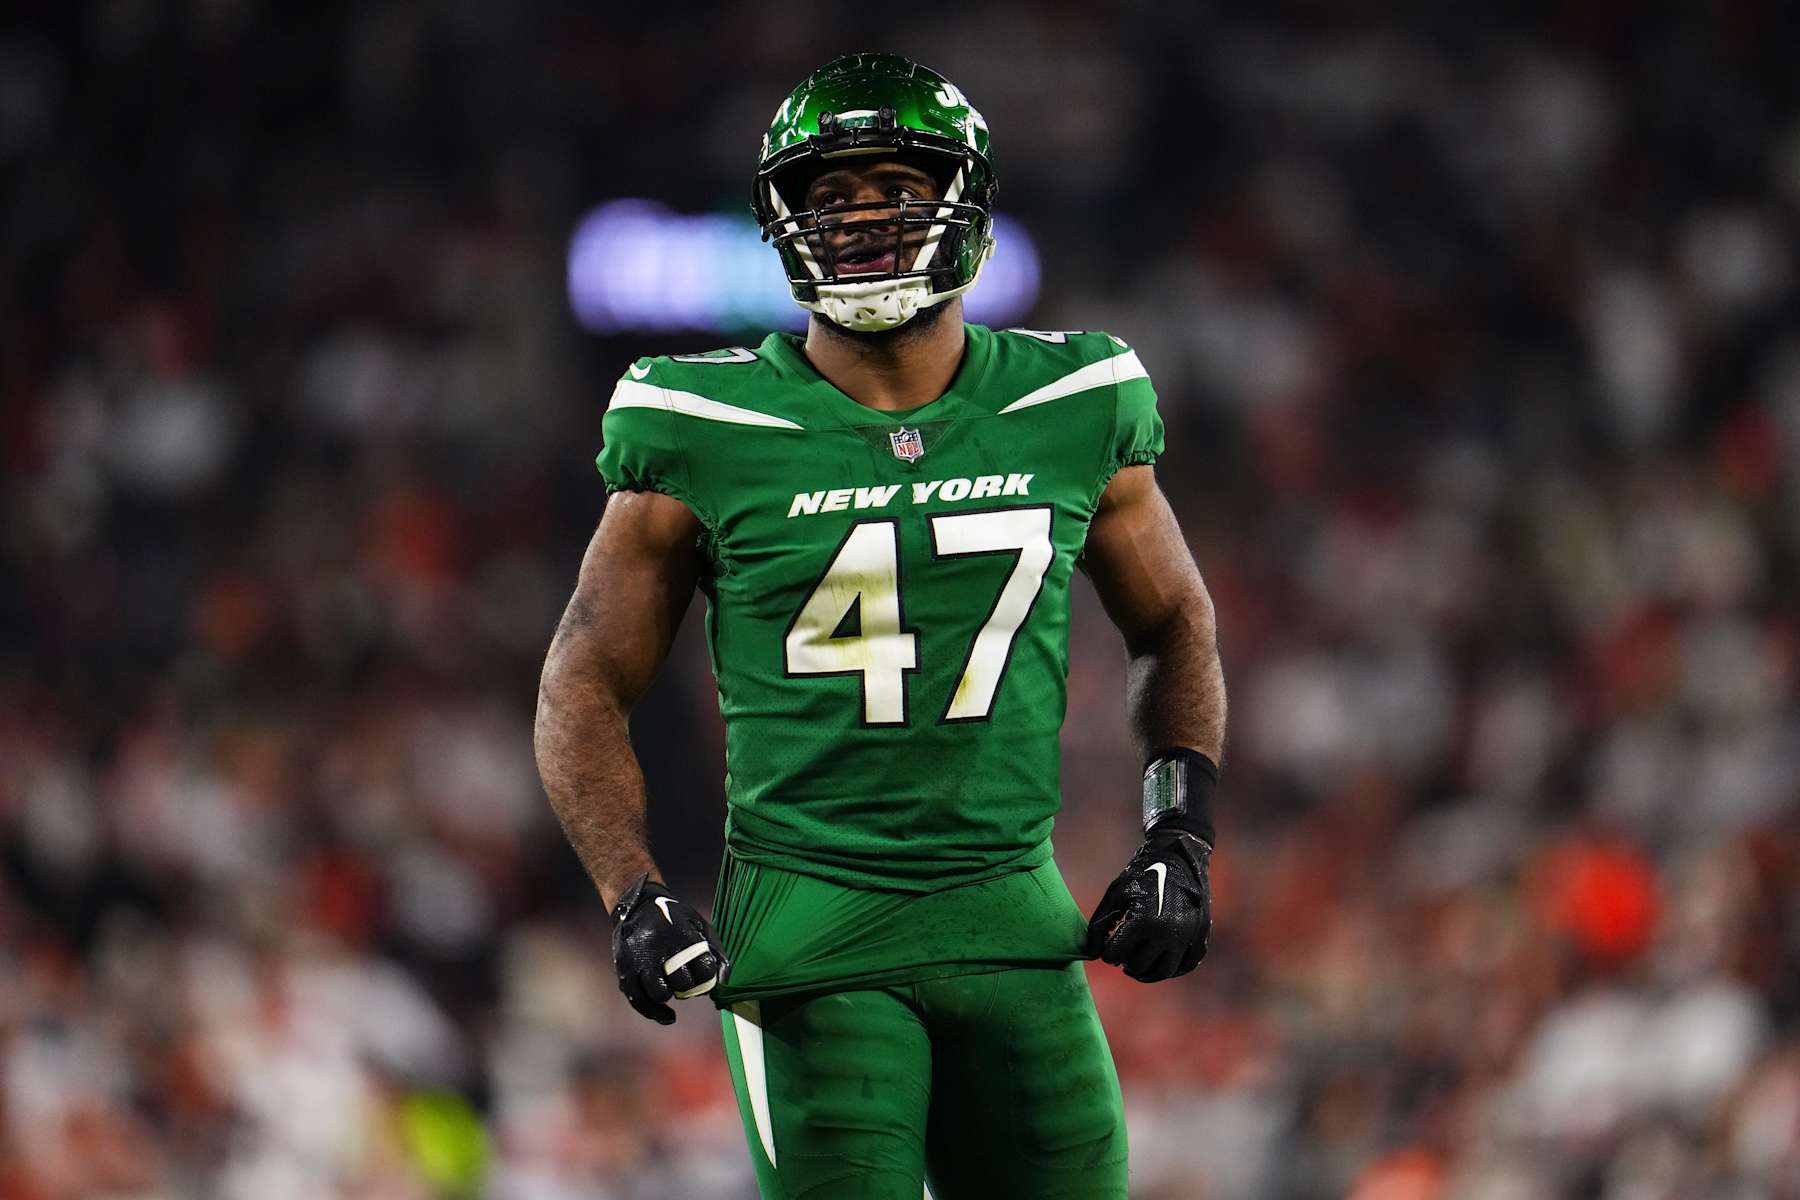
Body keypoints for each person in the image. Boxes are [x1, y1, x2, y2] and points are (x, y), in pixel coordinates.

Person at [534, 52, 1227, 1200]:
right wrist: (632, 890)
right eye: (828, 197)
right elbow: (583, 679)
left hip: (1015, 921)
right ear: (780, 222)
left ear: (962, 203)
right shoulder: (702, 420)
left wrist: (1180, 834)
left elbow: (1174, 622)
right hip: (812, 939)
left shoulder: (1074, 399)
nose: (859, 221)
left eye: (894, 190)